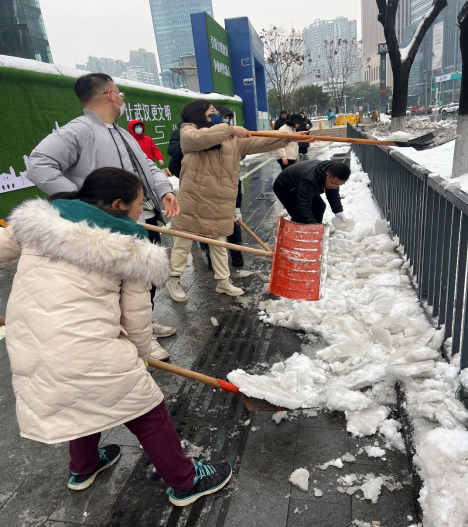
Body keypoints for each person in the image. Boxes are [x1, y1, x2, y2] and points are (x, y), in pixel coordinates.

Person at [0, 167, 232, 505]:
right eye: (139, 204)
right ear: (119, 205)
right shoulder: (132, 249)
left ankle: (84, 466)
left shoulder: (41, 221)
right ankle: (185, 481)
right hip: (85, 345)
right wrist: (139, 360)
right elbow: (136, 320)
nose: (142, 211)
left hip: (30, 344)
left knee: (86, 394)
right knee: (145, 407)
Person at [25, 72, 178, 361]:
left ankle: (145, 324)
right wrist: (80, 201)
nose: (121, 99)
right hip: (109, 226)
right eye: (120, 93)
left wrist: (163, 190)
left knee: (142, 284)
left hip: (141, 218)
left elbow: (147, 165)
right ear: (110, 95)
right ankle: (133, 338)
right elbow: (39, 164)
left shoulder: (122, 133)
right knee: (119, 287)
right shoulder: (79, 130)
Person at [165, 100, 312, 302]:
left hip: (219, 201)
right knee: (182, 243)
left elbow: (260, 142)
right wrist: (231, 129)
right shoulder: (189, 131)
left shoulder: (230, 139)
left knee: (219, 244)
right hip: (193, 199)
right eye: (212, 111)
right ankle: (174, 279)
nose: (217, 115)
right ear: (198, 114)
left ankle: (223, 281)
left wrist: (289, 138)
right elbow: (197, 139)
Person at [201, 105, 245, 269]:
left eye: (228, 118)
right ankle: (210, 256)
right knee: (207, 229)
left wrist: (237, 207)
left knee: (233, 223)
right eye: (222, 116)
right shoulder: (200, 138)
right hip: (206, 194)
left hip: (228, 192)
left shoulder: (232, 137)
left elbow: (236, 182)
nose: (226, 120)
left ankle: (236, 252)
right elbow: (176, 162)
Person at [273, 160, 350, 224]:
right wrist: (313, 225)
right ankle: (299, 233)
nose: (335, 187)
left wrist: (338, 211)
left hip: (300, 185)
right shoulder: (310, 180)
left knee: (319, 206)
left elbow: (333, 195)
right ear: (327, 174)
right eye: (334, 184)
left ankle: (315, 232)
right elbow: (303, 206)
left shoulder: (334, 175)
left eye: (339, 185)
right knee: (299, 215)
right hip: (285, 188)